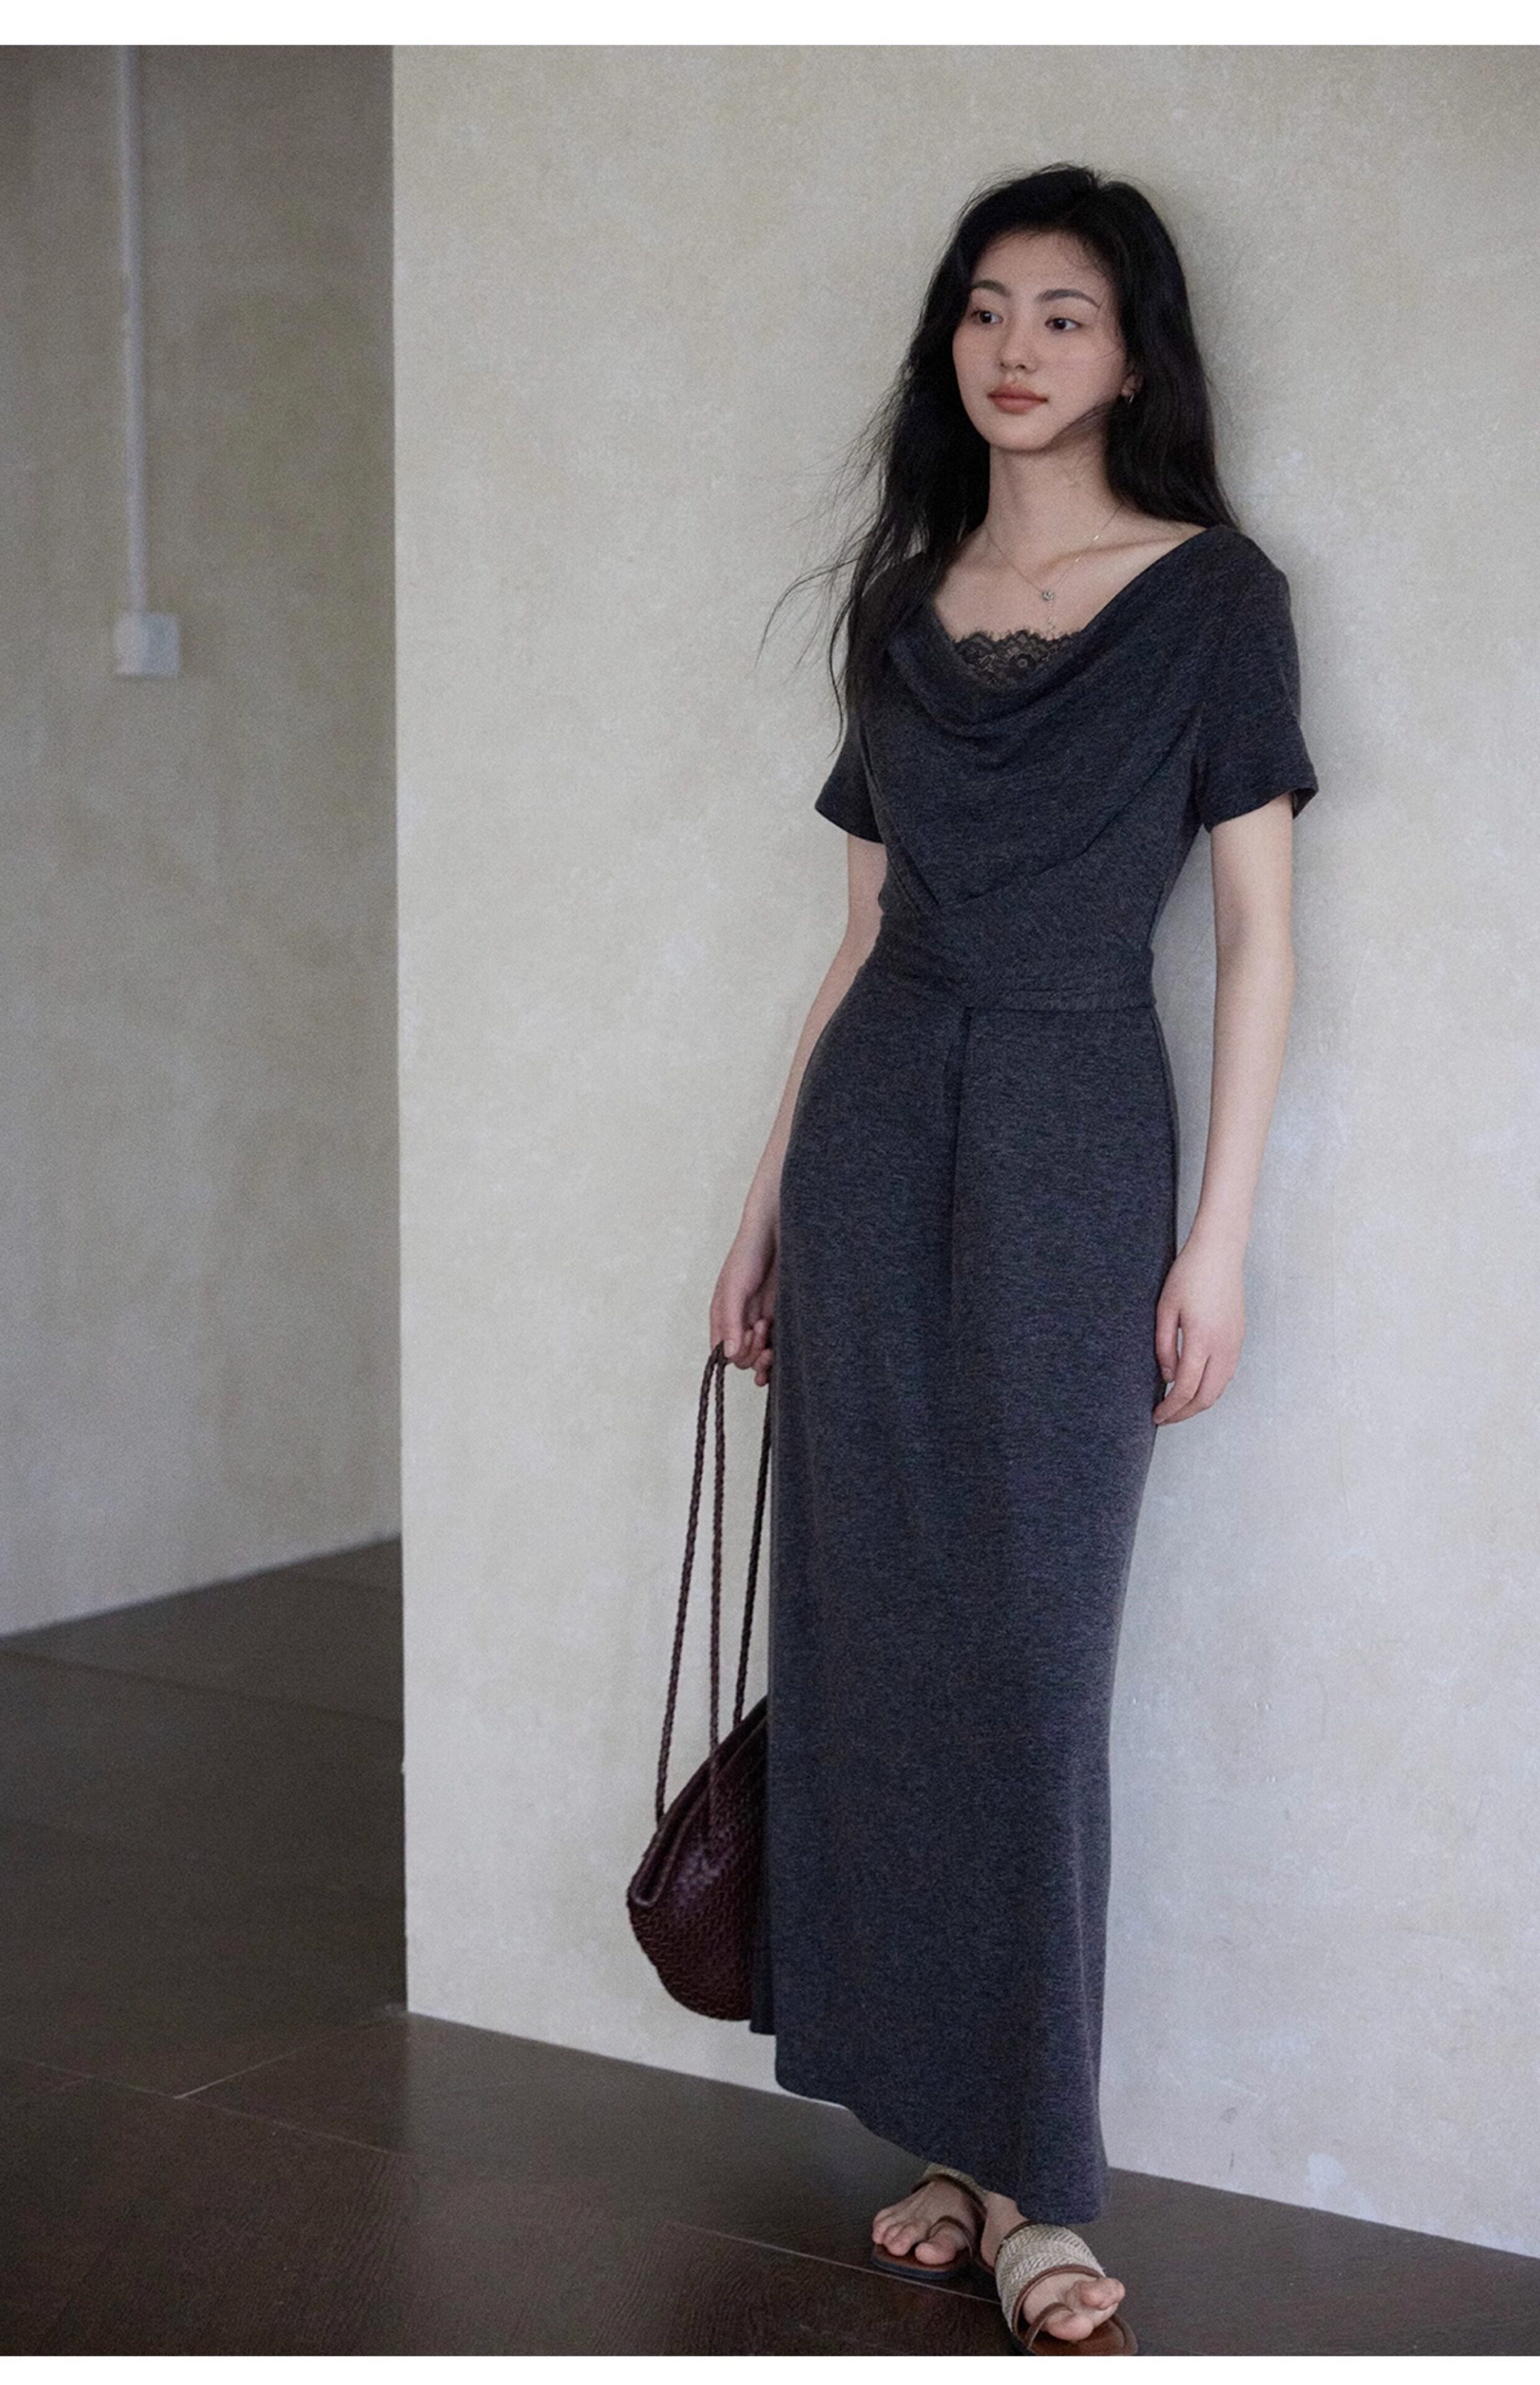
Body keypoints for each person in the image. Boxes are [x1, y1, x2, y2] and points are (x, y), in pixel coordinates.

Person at [710, 163, 1318, 2355]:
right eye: (987, 306)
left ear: (1134, 354)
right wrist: (759, 1213)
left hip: (1075, 1128)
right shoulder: (902, 602)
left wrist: (1217, 1242)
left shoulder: (1217, 600)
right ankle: (957, 2151)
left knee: (1035, 1665)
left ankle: (1046, 2179)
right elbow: (856, 941)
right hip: (878, 1131)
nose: (1019, 347)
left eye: (1066, 311)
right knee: (879, 1646)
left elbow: (1255, 942)